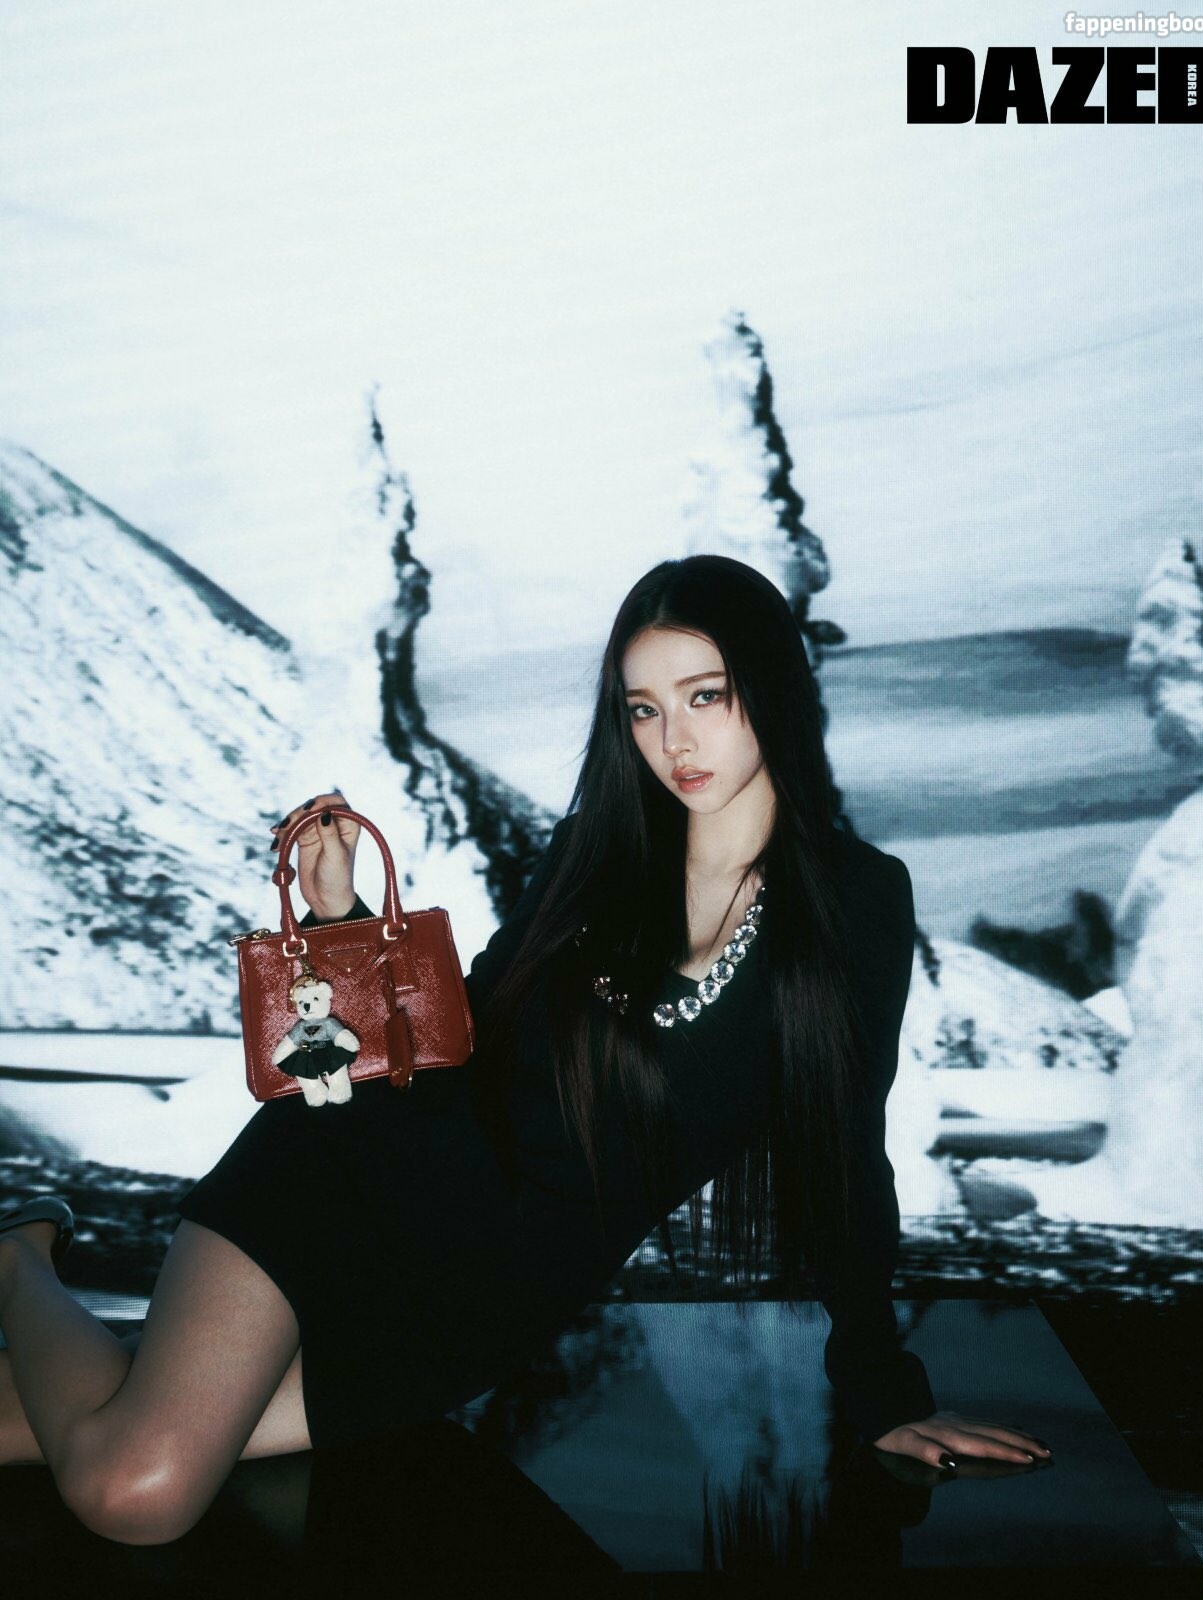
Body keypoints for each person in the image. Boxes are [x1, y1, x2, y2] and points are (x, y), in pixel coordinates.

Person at [0, 554, 1051, 1547]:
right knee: (137, 1490)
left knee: (105, 1422)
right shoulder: (596, 851)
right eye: (643, 708)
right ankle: (20, 1260)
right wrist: (341, 923)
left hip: (476, 1309)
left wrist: (883, 1400)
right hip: (347, 1182)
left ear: (772, 688)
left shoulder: (857, 904)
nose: (674, 740)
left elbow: (845, 1155)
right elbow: (457, 1033)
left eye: (705, 696)